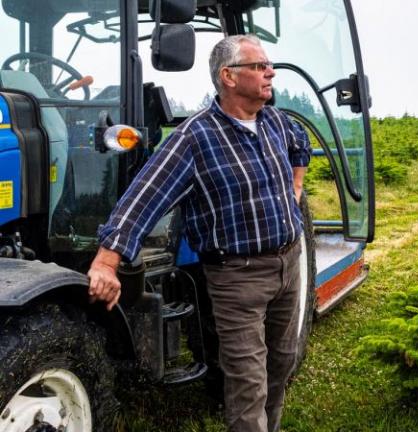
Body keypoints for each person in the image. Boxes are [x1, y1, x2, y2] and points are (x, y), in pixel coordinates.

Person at [86, 34, 311, 432]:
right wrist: (107, 261)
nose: (269, 72)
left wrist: (295, 187)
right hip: (237, 277)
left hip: (289, 264)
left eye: (267, 64)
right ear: (228, 76)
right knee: (248, 382)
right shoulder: (195, 138)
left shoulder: (276, 122)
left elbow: (300, 144)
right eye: (259, 66)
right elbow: (144, 197)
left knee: (281, 363)